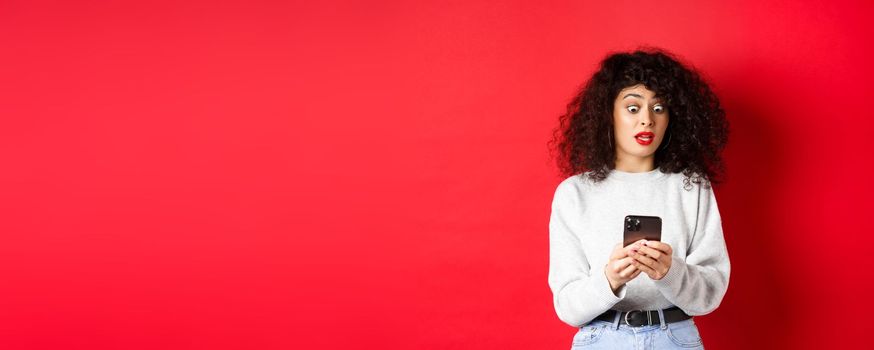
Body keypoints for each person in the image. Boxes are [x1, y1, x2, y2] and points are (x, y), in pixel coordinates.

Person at [547, 48, 731, 349]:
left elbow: (710, 294)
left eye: (659, 108)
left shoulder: (691, 187)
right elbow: (567, 307)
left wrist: (670, 273)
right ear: (609, 114)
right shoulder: (573, 194)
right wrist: (609, 279)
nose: (647, 120)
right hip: (600, 340)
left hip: (675, 339)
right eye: (633, 108)